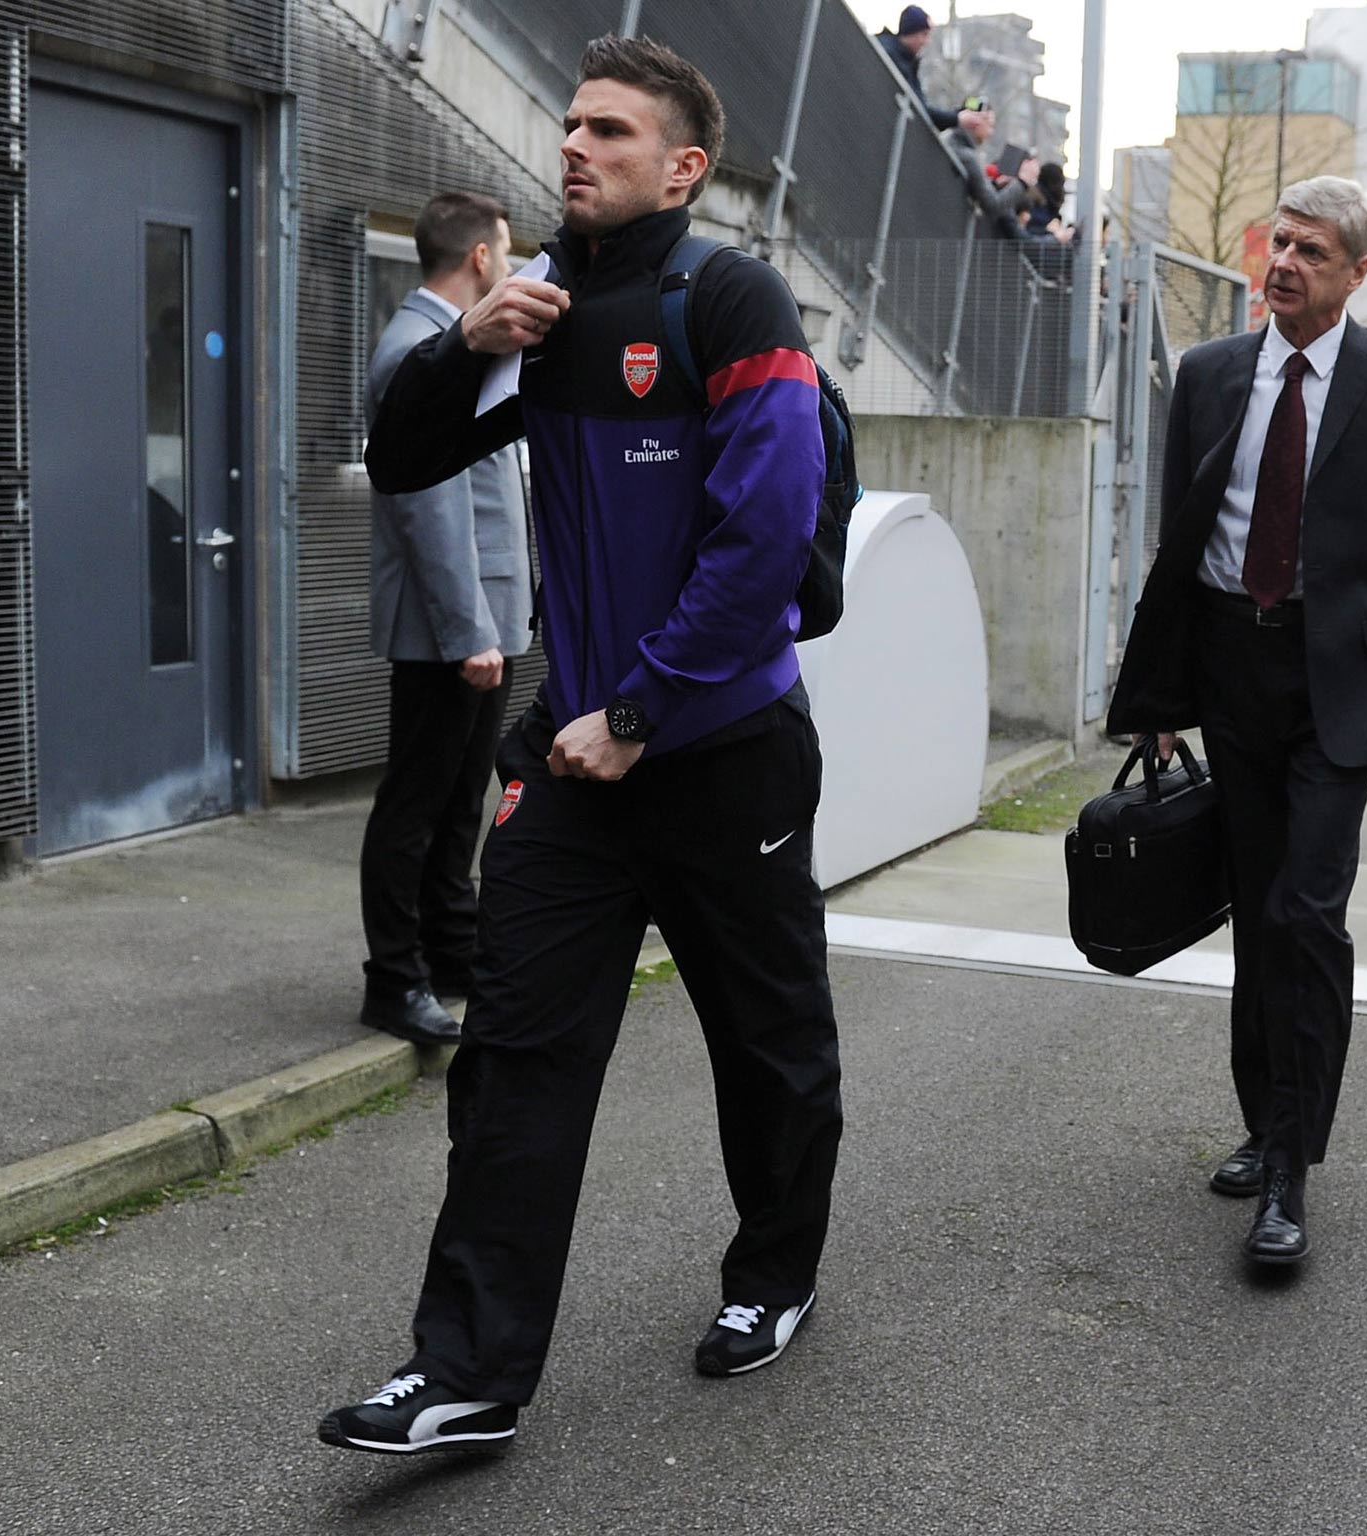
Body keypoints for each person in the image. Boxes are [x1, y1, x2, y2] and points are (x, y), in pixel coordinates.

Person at [320, 35, 841, 1457]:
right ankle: (471, 1372)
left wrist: (643, 707)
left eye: (610, 131)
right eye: (567, 126)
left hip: (718, 745)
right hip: (575, 756)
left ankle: (774, 1273)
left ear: (682, 166)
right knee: (515, 1056)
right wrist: (467, 346)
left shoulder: (728, 300)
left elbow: (765, 536)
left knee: (767, 1038)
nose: (573, 147)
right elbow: (406, 458)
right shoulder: (535, 310)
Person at [1106, 176, 1367, 1270]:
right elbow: (1180, 546)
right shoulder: (1210, 372)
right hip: (1233, 668)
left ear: (1354, 273)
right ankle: (1261, 1118)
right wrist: (1164, 701)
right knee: (1258, 913)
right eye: (1277, 243)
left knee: (1307, 912)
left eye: (1310, 252)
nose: (1281, 264)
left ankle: (1290, 1171)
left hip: (1344, 682)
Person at [358, 192, 531, 1047]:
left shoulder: (457, 347)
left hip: (475, 620)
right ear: (480, 260)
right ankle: (394, 980)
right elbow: (431, 502)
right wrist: (470, 632)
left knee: (460, 801)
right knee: (415, 807)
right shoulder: (416, 352)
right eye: (504, 250)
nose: (507, 262)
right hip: (448, 629)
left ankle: (451, 953)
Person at [874, 6, 985, 135]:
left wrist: (957, 115)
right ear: (912, 31)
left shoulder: (902, 59)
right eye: (924, 34)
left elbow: (921, 109)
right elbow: (920, 110)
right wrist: (957, 118)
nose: (926, 41)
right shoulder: (896, 60)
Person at [943, 100, 1032, 240]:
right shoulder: (968, 157)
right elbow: (993, 205)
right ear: (977, 121)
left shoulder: (948, 141)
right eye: (990, 126)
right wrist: (1023, 182)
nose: (991, 133)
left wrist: (995, 185)